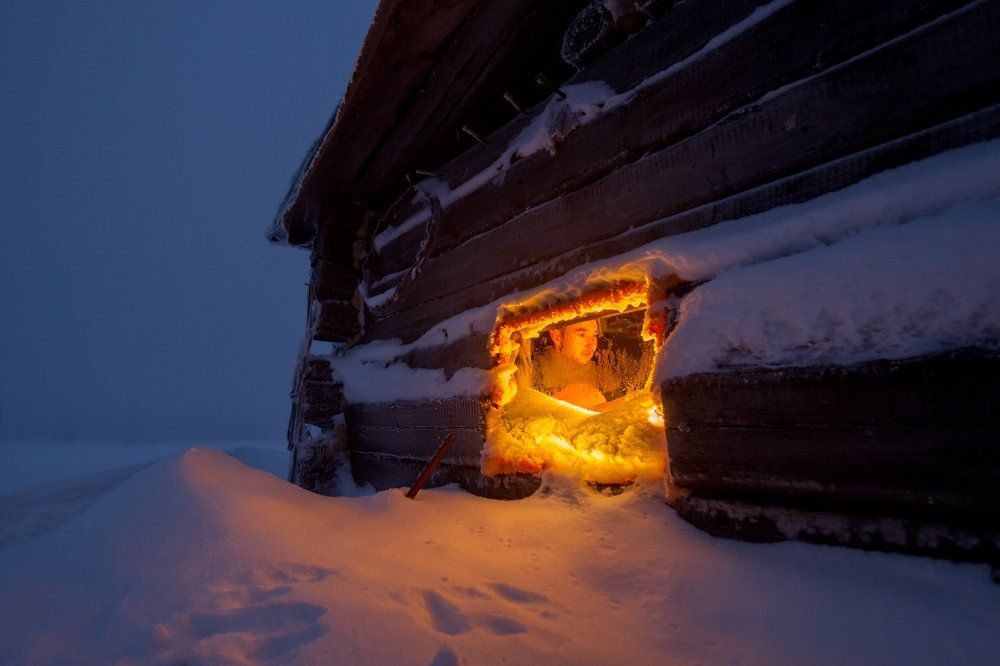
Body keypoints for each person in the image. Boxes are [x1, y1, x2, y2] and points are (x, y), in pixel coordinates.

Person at [533, 319, 610, 409]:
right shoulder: (535, 382)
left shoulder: (601, 372)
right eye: (582, 335)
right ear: (557, 337)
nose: (591, 344)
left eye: (594, 335)